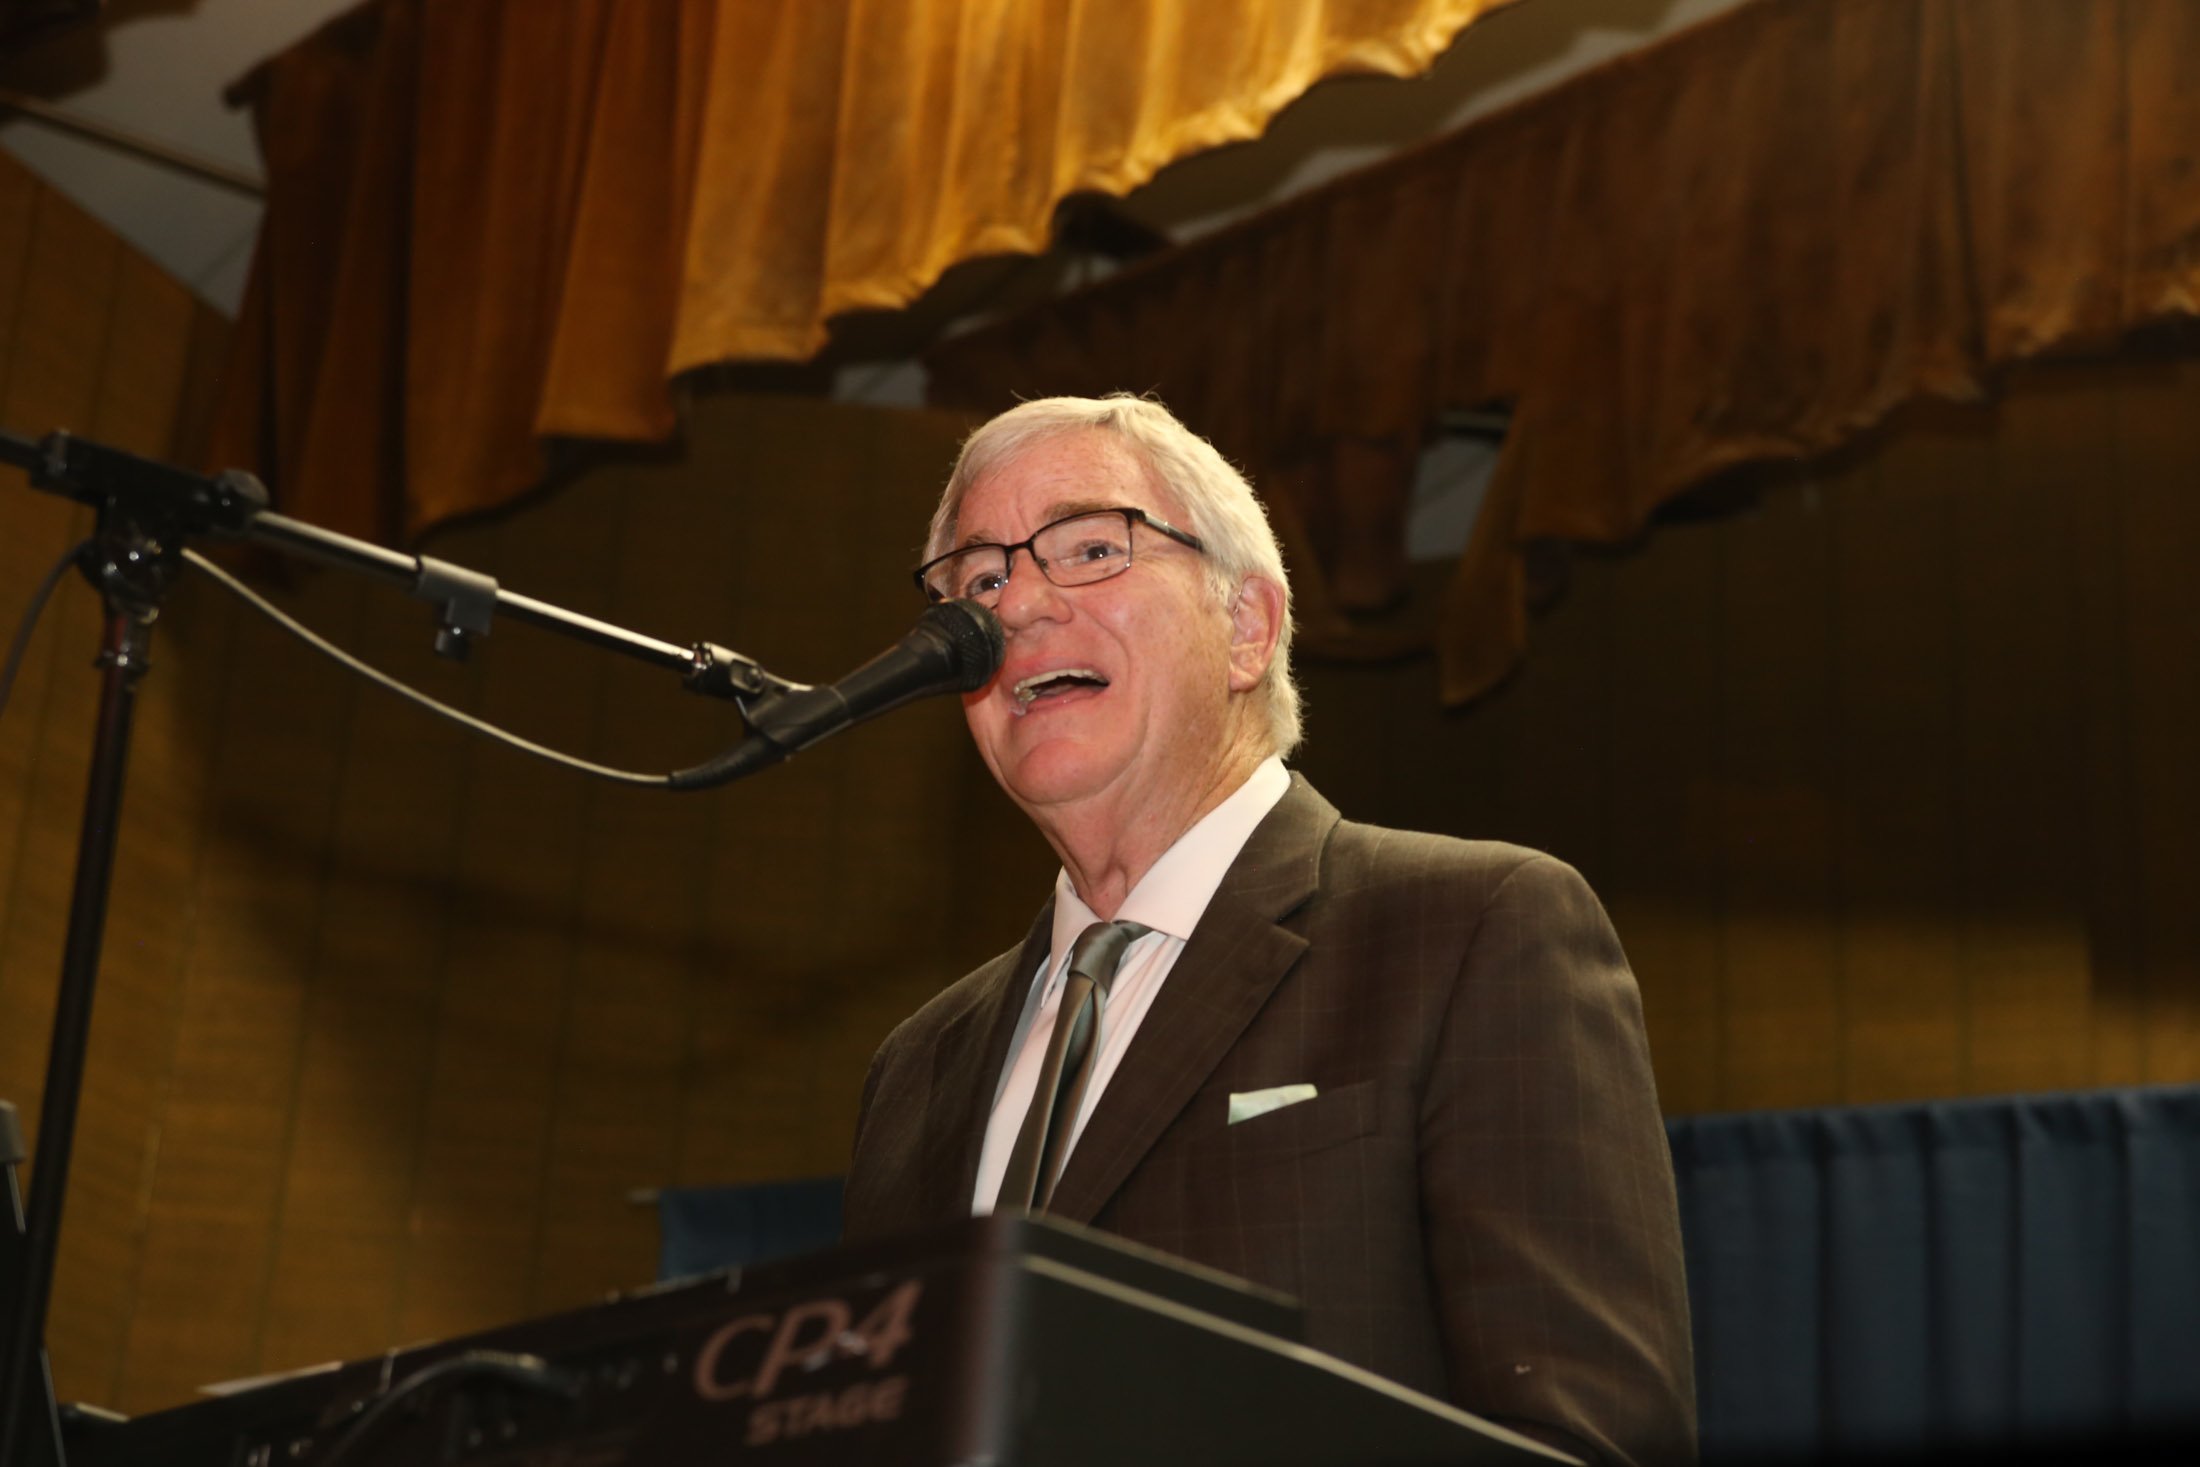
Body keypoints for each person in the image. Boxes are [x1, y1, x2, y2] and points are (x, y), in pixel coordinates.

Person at [841, 394, 1695, 1466]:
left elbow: (1589, 1434)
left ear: (1246, 626)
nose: (1015, 608)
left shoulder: (1471, 929)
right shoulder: (918, 1066)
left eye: (1092, 549)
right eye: (977, 582)